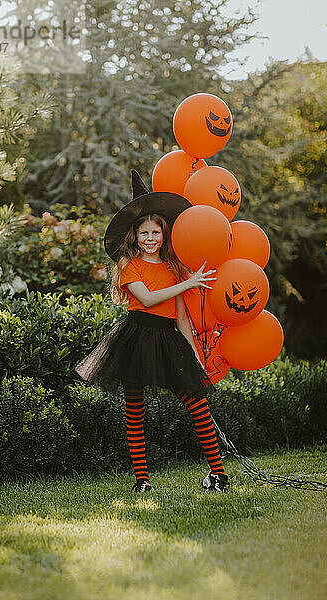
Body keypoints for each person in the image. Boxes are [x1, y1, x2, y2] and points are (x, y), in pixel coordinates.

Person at [75, 170, 229, 493]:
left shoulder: (174, 268)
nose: (149, 238)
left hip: (168, 340)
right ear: (135, 236)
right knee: (135, 411)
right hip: (136, 338)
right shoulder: (130, 267)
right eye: (143, 232)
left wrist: (195, 354)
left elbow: (181, 316)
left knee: (196, 402)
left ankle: (218, 475)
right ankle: (142, 481)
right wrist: (189, 283)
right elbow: (145, 299)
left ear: (163, 234)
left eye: (155, 231)